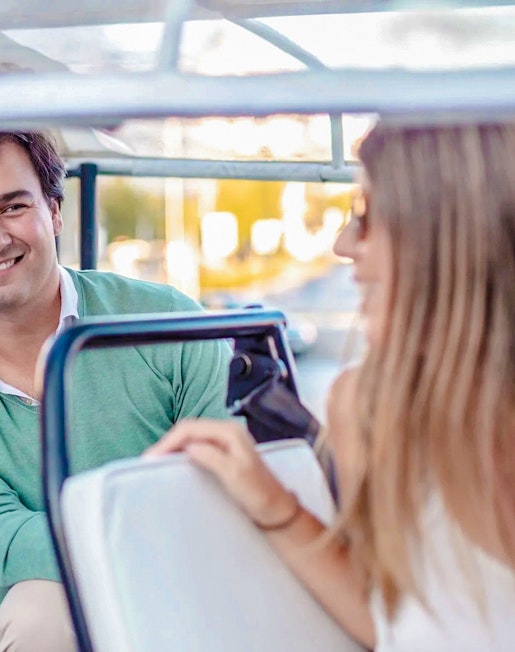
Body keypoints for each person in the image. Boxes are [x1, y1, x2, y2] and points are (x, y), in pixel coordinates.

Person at [146, 121, 515, 651]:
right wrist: (275, 505)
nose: (343, 245)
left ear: (450, 232)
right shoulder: (368, 407)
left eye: (367, 216)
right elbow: (393, 622)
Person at [0, 130, 231, 651]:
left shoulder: (168, 321)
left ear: (53, 211)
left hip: (197, 573)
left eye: (13, 207)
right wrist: (133, 535)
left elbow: (226, 487)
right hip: (66, 593)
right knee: (36, 616)